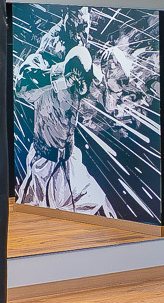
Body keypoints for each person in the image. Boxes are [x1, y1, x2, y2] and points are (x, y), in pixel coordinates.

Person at [15, 40, 113, 217]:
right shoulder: (41, 61)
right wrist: (61, 74)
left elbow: (106, 100)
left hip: (70, 160)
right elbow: (22, 88)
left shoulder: (82, 58)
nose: (83, 23)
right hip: (44, 163)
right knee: (34, 217)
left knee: (102, 208)